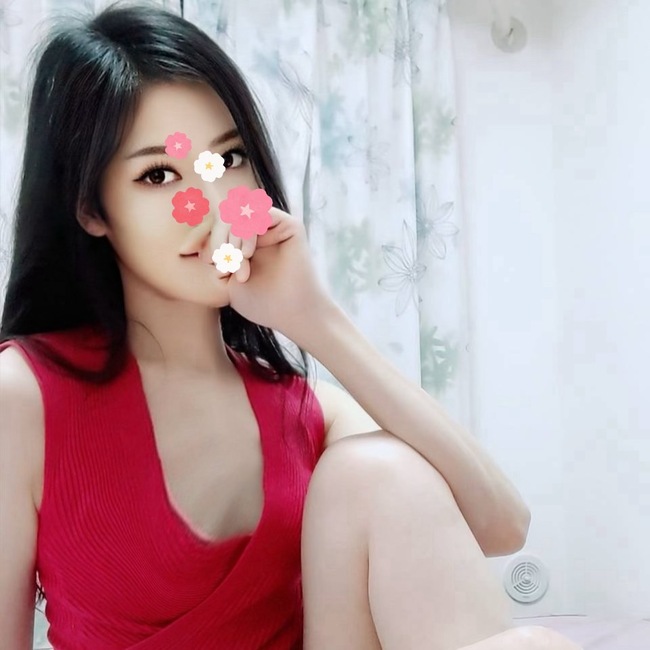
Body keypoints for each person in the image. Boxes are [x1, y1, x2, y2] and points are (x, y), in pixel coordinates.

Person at [0, 2, 582, 649]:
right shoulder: (23, 398)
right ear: (91, 208)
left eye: (229, 159)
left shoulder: (302, 411)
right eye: (158, 174)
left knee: (380, 471)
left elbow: (503, 525)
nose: (212, 203)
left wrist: (315, 320)